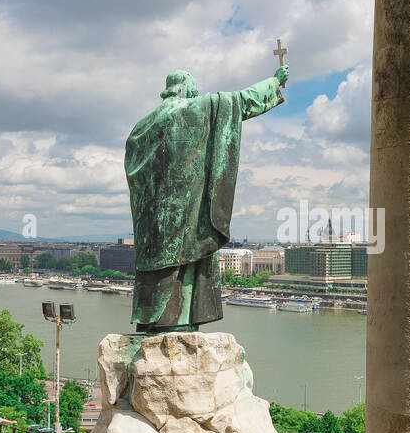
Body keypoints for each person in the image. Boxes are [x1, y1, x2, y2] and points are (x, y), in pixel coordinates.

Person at [124, 64, 289, 332]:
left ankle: (153, 320)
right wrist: (274, 83)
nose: (196, 93)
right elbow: (242, 101)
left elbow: (134, 170)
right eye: (194, 89)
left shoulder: (141, 127)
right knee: (188, 259)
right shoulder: (195, 108)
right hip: (188, 209)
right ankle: (178, 323)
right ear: (185, 89)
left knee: (161, 268)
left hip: (151, 222)